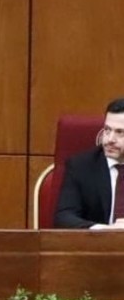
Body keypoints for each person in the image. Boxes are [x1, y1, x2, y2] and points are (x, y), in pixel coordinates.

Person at [55, 98, 124, 229]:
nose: (109, 139)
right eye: (107, 130)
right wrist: (104, 230)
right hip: (97, 246)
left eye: (120, 132)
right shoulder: (80, 167)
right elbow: (64, 217)